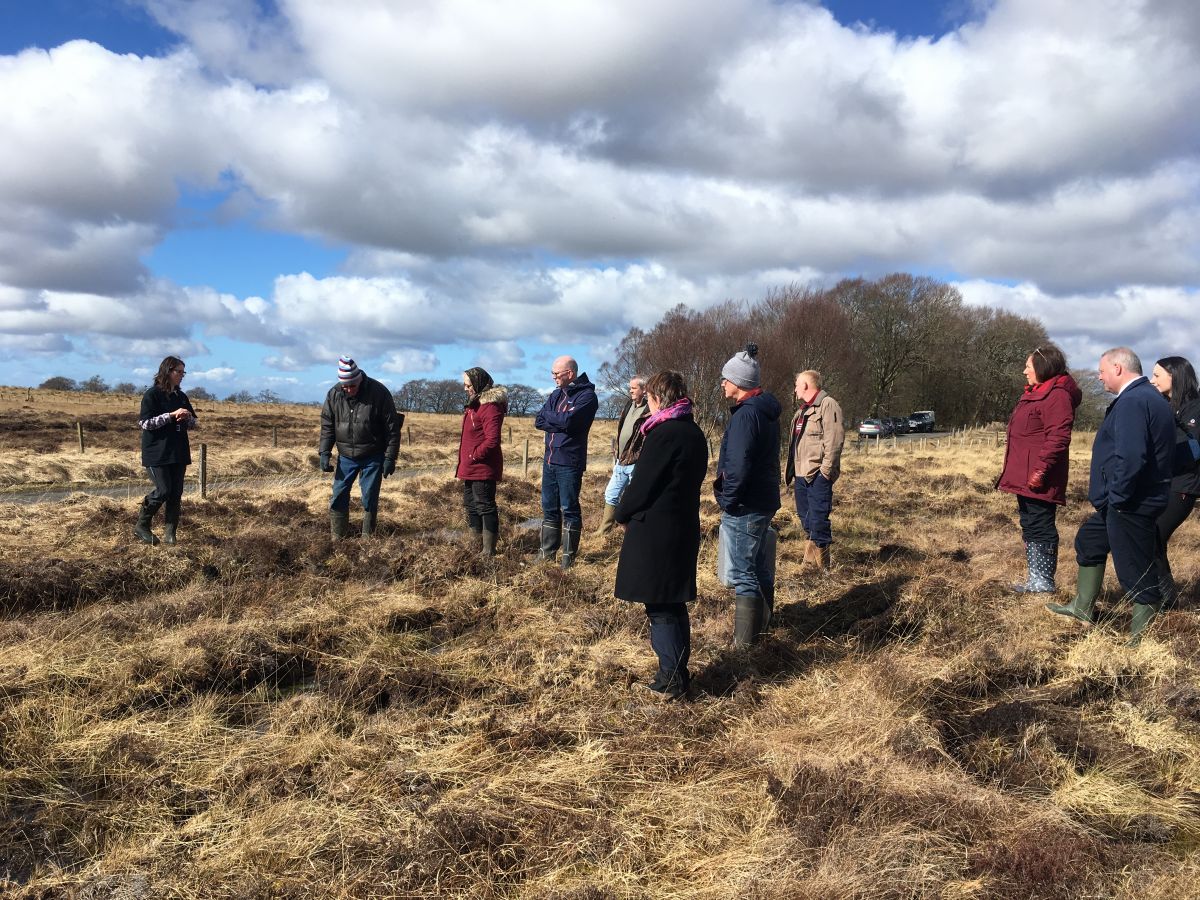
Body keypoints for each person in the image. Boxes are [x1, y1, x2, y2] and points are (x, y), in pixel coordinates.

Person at [1047, 347, 1175, 644]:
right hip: (1125, 500)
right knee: (1089, 541)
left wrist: (1117, 496)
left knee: (1134, 570)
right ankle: (1082, 607)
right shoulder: (1146, 398)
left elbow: (1131, 457)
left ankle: (1142, 640)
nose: (1099, 376)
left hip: (1130, 502)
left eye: (1102, 370)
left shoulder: (1134, 401)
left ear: (1118, 368)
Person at [614, 371, 708, 699]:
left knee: (660, 605)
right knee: (672, 602)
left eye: (650, 399)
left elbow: (643, 483)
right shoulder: (693, 431)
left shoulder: (664, 433)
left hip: (657, 530)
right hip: (681, 525)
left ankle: (670, 678)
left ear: (656, 398)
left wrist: (622, 513)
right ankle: (677, 673)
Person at [996, 344, 1082, 594]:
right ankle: (1035, 579)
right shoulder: (1038, 392)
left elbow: (1058, 437)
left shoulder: (1057, 395)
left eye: (1028, 366)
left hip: (1038, 476)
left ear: (1043, 367)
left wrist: (1040, 470)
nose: (1024, 371)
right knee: (1031, 524)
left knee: (1040, 524)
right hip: (1024, 474)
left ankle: (1043, 581)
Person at [714, 343, 781, 646]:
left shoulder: (744, 416)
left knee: (743, 573)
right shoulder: (765, 412)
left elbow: (738, 464)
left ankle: (744, 647)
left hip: (746, 503)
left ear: (739, 383)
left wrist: (728, 500)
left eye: (726, 379)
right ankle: (763, 629)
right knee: (758, 567)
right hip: (764, 499)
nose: (722, 383)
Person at [318, 356, 401, 538]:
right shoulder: (334, 394)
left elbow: (392, 429)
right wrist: (324, 452)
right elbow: (327, 425)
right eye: (345, 387)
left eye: (352, 386)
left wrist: (389, 458)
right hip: (346, 456)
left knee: (369, 497)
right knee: (338, 495)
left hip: (373, 455)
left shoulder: (379, 393)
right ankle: (337, 538)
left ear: (359, 379)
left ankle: (367, 539)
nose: (348, 390)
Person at [534, 356, 598, 568]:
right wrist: (558, 419)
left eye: (556, 373)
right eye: (552, 373)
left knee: (569, 508)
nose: (553, 377)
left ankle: (567, 559)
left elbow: (571, 422)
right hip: (550, 459)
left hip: (569, 461)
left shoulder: (587, 397)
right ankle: (546, 554)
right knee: (549, 508)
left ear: (570, 374)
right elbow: (539, 419)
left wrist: (554, 419)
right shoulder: (555, 394)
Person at [1149, 356, 1200, 605]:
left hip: (1182, 487)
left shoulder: (1195, 408)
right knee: (1151, 536)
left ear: (1175, 376)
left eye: (1157, 375)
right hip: (1162, 485)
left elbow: (1192, 449)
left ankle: (1166, 600)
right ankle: (1162, 597)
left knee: (1154, 535)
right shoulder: (1166, 406)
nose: (1152, 380)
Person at [784, 370, 846, 572]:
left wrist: (826, 472)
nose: (794, 389)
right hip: (801, 474)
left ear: (805, 385)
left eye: (796, 384)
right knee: (806, 519)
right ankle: (810, 564)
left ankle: (824, 568)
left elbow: (834, 440)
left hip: (817, 474)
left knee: (819, 520)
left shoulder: (828, 405)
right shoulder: (801, 411)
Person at [134, 356, 197, 545]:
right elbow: (145, 423)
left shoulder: (181, 396)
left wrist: (187, 418)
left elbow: (194, 423)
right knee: (163, 490)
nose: (182, 376)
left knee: (175, 494)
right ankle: (142, 526)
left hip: (178, 451)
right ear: (167, 371)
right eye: (179, 371)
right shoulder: (152, 395)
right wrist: (170, 416)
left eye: (183, 372)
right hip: (157, 452)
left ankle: (170, 535)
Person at [456, 367, 507, 557]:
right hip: (471, 467)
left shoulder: (489, 406)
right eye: (464, 384)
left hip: (483, 467)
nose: (465, 388)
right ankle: (475, 546)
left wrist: (474, 456)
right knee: (471, 505)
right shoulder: (475, 404)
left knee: (485, 506)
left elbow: (492, 440)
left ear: (478, 384)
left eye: (468, 384)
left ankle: (488, 551)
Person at [596, 375, 650, 537]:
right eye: (630, 388)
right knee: (611, 494)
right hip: (621, 461)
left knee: (636, 498)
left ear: (644, 390)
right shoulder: (628, 405)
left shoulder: (649, 411)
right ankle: (604, 530)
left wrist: (641, 457)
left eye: (634, 388)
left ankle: (636, 532)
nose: (630, 391)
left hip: (636, 462)